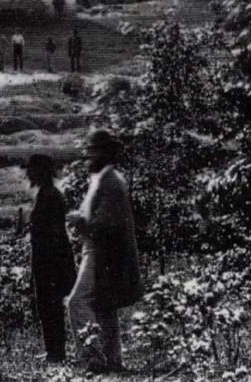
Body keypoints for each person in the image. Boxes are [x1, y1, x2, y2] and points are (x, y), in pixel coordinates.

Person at [66, 130, 142, 374]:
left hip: (101, 252)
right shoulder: (106, 178)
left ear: (105, 154)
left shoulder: (110, 181)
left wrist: (81, 222)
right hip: (104, 252)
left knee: (77, 302)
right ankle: (113, 362)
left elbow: (108, 223)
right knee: (103, 306)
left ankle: (94, 359)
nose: (88, 157)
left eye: (93, 152)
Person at [26, 154, 77, 363]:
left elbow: (52, 234)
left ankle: (56, 353)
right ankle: (54, 351)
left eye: (31, 169)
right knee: (49, 307)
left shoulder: (48, 195)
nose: (27, 173)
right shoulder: (49, 193)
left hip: (50, 262)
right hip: (50, 260)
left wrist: (48, 264)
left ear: (40, 171)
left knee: (50, 307)